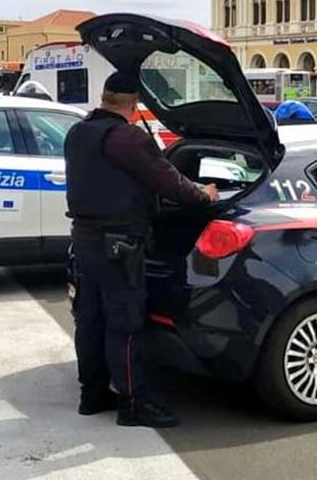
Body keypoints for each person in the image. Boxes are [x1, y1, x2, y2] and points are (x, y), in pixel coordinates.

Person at [64, 70, 219, 428]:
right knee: (125, 324)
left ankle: (92, 394)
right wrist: (205, 195)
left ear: (104, 98)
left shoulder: (78, 133)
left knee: (90, 321)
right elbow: (171, 184)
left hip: (84, 240)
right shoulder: (127, 139)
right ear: (134, 105)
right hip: (119, 244)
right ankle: (134, 404)